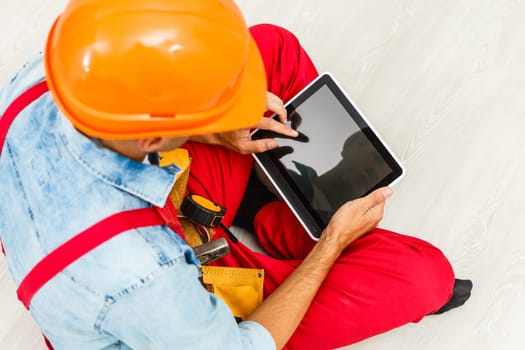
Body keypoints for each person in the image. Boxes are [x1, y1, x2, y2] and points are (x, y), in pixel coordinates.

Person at [0, 0, 472, 349]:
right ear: (152, 139)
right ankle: (296, 221)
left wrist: (213, 131)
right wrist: (330, 246)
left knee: (271, 47)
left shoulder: (60, 64)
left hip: (147, 202)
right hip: (162, 295)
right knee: (424, 277)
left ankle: (272, 205)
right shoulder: (145, 274)